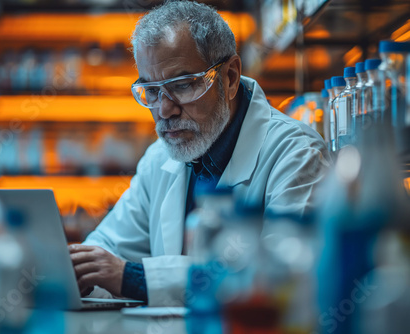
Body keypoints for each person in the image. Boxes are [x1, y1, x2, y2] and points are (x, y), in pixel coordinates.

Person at [69, 0, 329, 307]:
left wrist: (133, 278)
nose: (164, 109)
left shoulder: (297, 153)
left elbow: (285, 279)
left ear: (230, 77)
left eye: (182, 85)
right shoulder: (159, 159)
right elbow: (109, 247)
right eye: (151, 91)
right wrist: (80, 276)